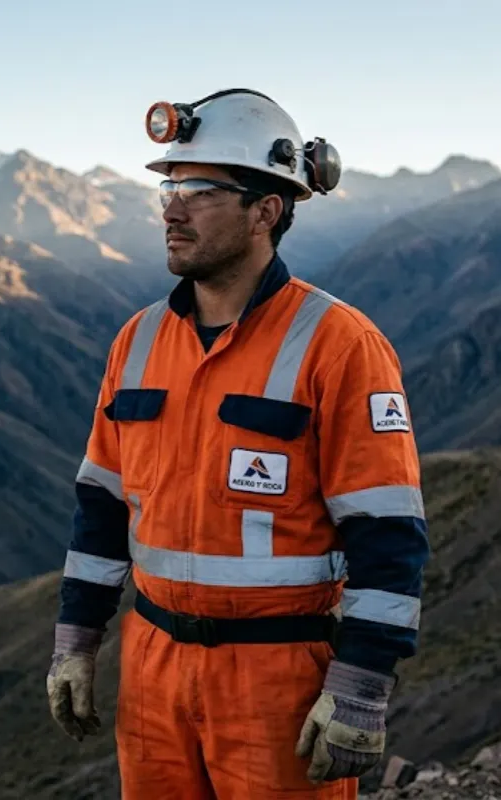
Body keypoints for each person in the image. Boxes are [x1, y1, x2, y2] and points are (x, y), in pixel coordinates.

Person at [45, 88, 431, 799]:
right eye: (169, 185)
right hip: (152, 667)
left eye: (200, 189)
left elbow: (388, 535)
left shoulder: (341, 346)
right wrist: (77, 639)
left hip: (276, 680)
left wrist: (360, 687)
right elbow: (100, 510)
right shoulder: (135, 343)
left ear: (266, 211)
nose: (172, 206)